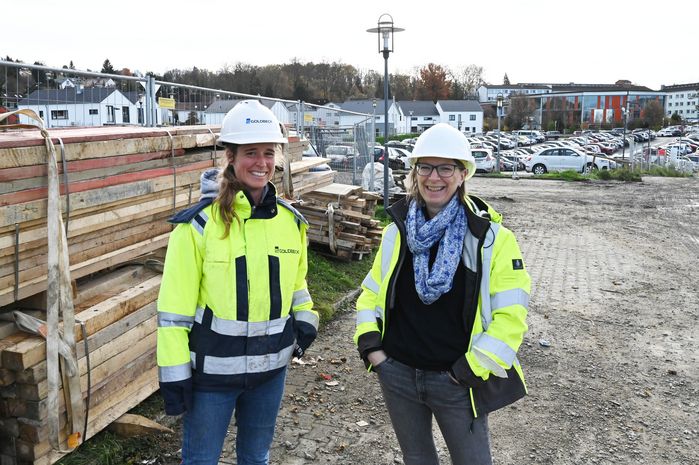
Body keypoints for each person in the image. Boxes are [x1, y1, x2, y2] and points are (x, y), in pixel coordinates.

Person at [354, 123, 530, 465]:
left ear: (463, 174)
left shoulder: (492, 240)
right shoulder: (397, 232)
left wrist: (467, 371)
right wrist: (373, 350)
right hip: (398, 375)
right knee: (416, 458)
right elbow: (370, 294)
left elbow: (512, 318)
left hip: (458, 381)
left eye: (446, 167)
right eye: (425, 167)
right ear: (415, 172)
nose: (434, 177)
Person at [156, 99, 318, 465]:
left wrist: (306, 317)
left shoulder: (292, 223)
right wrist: (174, 374)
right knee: (200, 461)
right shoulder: (197, 226)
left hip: (270, 373)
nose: (261, 162)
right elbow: (173, 312)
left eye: (268, 152)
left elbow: (298, 285)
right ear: (229, 156)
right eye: (250, 153)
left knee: (256, 458)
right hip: (210, 379)